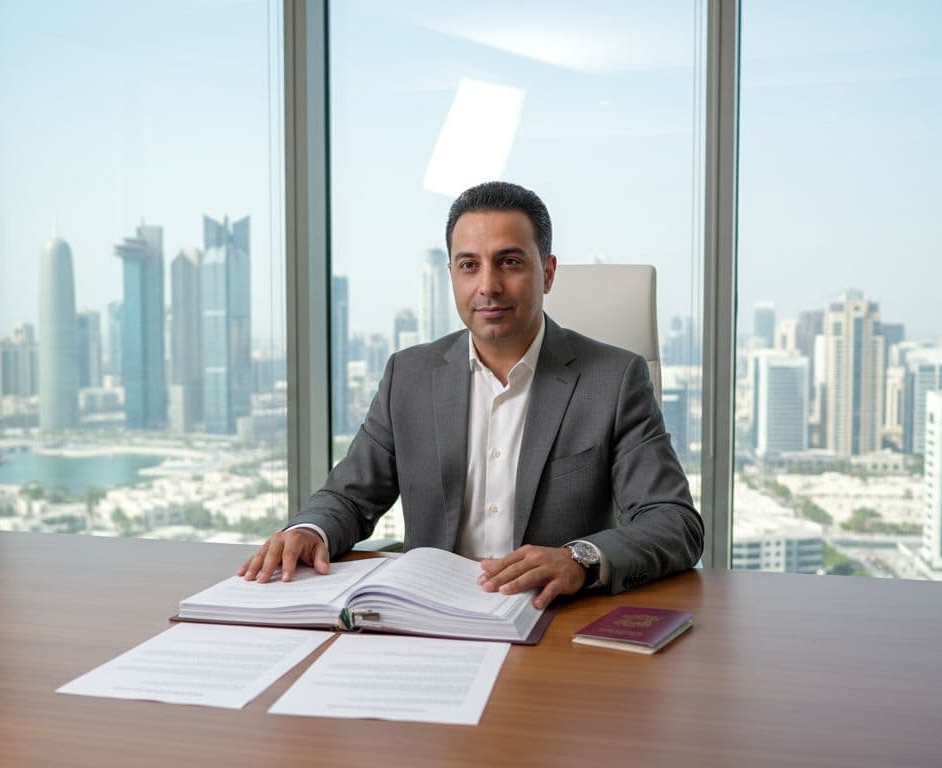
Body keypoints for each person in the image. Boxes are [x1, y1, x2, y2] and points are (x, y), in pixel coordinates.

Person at [239, 181, 702, 608]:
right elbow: (349, 497)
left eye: (510, 262)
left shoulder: (614, 379)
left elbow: (673, 522)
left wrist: (580, 559)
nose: (488, 286)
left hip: (550, 618)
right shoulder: (410, 374)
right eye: (469, 265)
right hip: (430, 618)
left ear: (548, 272)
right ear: (452, 275)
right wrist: (307, 529)